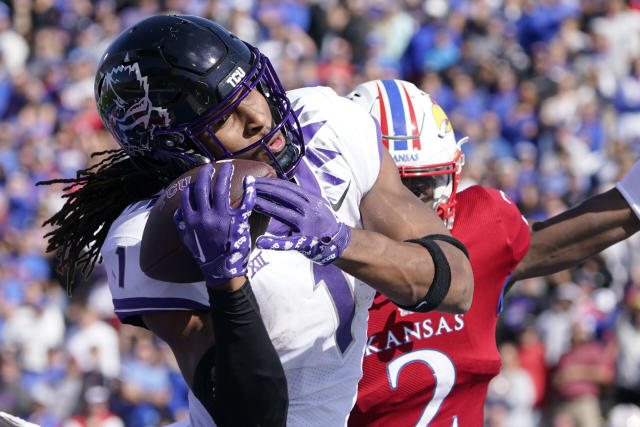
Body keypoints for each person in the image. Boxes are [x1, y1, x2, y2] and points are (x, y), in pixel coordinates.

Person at [38, 16, 473, 427]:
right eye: (224, 117)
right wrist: (225, 279)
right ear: (174, 150)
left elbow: (457, 287)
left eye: (252, 88)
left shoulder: (327, 120)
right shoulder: (145, 238)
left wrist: (340, 241)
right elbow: (256, 419)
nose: (259, 117)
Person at [347, 79, 640, 426]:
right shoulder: (316, 264)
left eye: (422, 187)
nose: (409, 207)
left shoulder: (481, 228)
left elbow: (568, 238)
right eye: (395, 188)